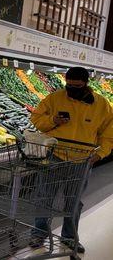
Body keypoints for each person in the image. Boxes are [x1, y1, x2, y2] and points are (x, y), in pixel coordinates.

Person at [29, 66, 113, 252]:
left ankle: (69, 237)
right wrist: (53, 121)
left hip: (82, 161)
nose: (72, 89)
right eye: (69, 85)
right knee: (45, 196)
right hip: (55, 157)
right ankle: (38, 234)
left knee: (73, 201)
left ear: (86, 84)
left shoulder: (102, 105)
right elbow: (36, 118)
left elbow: (108, 135)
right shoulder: (55, 98)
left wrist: (100, 154)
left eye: (77, 86)